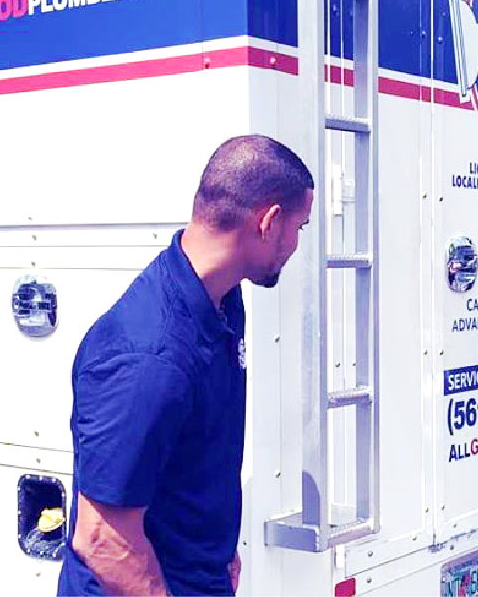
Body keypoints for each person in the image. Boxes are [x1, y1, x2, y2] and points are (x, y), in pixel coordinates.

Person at [58, 135, 314, 596]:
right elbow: (102, 539)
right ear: (269, 221)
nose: (297, 243)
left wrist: (218, 552)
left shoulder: (220, 299)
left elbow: (193, 452)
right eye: (300, 226)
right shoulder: (148, 355)